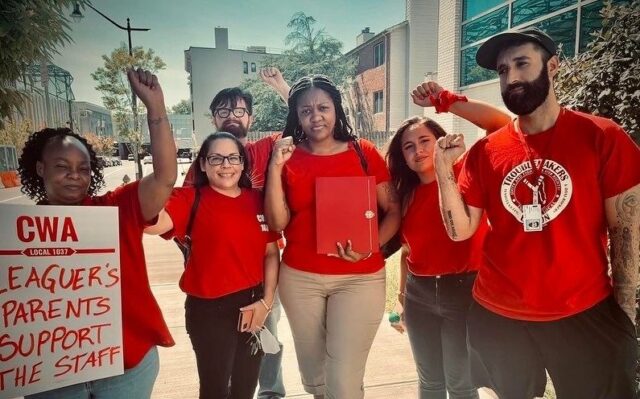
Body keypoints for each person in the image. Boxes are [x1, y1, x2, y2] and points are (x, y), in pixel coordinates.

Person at [434, 27, 640, 399]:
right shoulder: (486, 152)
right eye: (501, 70)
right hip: (499, 314)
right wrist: (442, 171)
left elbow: (626, 233)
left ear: (554, 65)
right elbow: (461, 231)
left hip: (583, 310)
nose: (510, 77)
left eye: (522, 64)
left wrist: (624, 314)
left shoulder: (602, 137)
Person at [20, 68, 177, 399]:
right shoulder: (18, 234)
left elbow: (164, 178)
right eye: (62, 167)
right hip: (52, 374)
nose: (74, 176)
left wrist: (156, 109)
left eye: (83, 168)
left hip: (126, 368)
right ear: (40, 169)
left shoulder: (117, 208)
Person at [264, 74, 401, 399]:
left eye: (323, 107)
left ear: (337, 109)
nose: (315, 117)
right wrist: (274, 168)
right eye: (305, 111)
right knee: (317, 378)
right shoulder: (287, 157)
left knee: (343, 377)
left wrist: (371, 246)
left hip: (360, 279)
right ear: (296, 116)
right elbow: (277, 222)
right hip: (301, 278)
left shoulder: (364, 152)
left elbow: (393, 210)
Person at [386, 81, 511, 399]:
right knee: (429, 381)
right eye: (408, 146)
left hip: (465, 292)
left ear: (440, 141)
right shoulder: (406, 194)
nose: (418, 151)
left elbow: (502, 125)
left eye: (424, 141)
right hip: (419, 295)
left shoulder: (466, 172)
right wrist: (402, 296)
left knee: (461, 383)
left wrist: (446, 100)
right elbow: (406, 251)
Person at [180, 67, 290, 399]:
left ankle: (271, 392)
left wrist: (283, 88)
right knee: (220, 359)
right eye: (224, 110)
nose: (232, 116)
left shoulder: (266, 149)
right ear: (214, 118)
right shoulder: (202, 164)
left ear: (251, 118)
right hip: (218, 279)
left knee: (266, 331)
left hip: (265, 264)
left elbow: (300, 129)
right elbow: (183, 220)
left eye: (239, 110)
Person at [145, 131, 280, 399]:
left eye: (233, 157)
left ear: (242, 163)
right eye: (216, 158)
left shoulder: (257, 200)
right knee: (215, 390)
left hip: (253, 305)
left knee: (245, 389)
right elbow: (152, 222)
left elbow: (271, 253)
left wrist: (266, 303)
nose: (226, 165)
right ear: (203, 164)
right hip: (209, 311)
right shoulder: (188, 199)